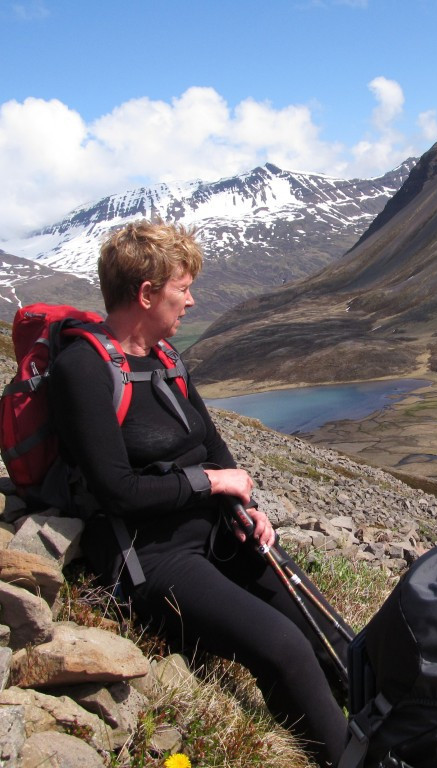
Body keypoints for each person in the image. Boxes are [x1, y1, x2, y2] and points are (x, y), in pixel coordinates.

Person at [50, 220, 348, 767]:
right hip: (150, 555)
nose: (192, 301)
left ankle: (394, 726)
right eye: (182, 288)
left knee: (326, 630)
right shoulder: (83, 370)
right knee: (283, 649)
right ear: (146, 293)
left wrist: (243, 507)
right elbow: (118, 490)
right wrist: (211, 484)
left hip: (215, 529)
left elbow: (209, 441)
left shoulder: (166, 358)